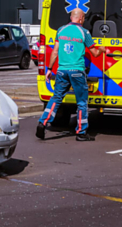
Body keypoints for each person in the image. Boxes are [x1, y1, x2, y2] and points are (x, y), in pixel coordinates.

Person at [36, 8, 104, 142]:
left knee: (56, 98)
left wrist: (49, 69)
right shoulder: (84, 33)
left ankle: (42, 122)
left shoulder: (60, 30)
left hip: (62, 71)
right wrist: (102, 49)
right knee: (82, 102)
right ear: (80, 19)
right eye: (84, 18)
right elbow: (95, 53)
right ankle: (81, 132)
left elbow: (55, 52)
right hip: (77, 71)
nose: (84, 20)